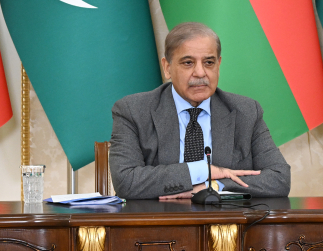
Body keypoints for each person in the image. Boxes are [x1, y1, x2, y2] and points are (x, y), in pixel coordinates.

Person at [110, 22, 291, 199]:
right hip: (158, 223)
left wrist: (211, 186)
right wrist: (202, 170)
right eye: (188, 63)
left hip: (227, 224)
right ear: (167, 68)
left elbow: (279, 178)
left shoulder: (246, 111)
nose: (200, 72)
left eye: (209, 62)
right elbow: (126, 181)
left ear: (218, 65)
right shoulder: (133, 111)